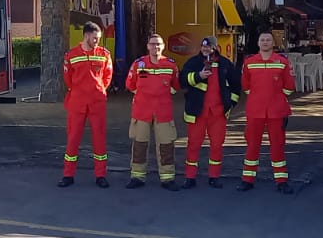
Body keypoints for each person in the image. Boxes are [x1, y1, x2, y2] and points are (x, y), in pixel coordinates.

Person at [182, 36, 241, 189]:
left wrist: (231, 104)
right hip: (197, 111)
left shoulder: (225, 64)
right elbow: (182, 80)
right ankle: (190, 177)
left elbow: (236, 86)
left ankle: (214, 176)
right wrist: (198, 76)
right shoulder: (193, 62)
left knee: (217, 145)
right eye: (203, 46)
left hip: (218, 113)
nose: (205, 49)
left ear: (215, 48)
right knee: (193, 145)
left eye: (208, 47)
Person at [241, 31, 296, 193]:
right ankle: (247, 180)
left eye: (268, 40)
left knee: (277, 146)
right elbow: (245, 86)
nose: (265, 42)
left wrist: (276, 98)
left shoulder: (282, 62)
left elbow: (289, 86)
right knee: (252, 145)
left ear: (273, 43)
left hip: (276, 111)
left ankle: (281, 181)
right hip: (255, 110)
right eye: (262, 40)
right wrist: (259, 98)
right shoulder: (249, 62)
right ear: (258, 43)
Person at [125, 33, 181, 190]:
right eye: (152, 44)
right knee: (139, 145)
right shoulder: (139, 64)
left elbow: (175, 86)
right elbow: (130, 85)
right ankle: (137, 176)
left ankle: (167, 178)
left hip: (163, 112)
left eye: (158, 44)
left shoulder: (171, 65)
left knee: (166, 146)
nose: (155, 47)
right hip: (142, 111)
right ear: (147, 46)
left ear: (163, 47)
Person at [61, 21, 113, 188]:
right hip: (77, 101)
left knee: (99, 138)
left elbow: (107, 76)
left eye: (99, 38)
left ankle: (100, 175)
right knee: (73, 138)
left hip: (97, 101)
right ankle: (68, 175)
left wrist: (99, 90)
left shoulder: (104, 54)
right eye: (95, 38)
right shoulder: (71, 55)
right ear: (86, 35)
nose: (97, 41)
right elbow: (67, 78)